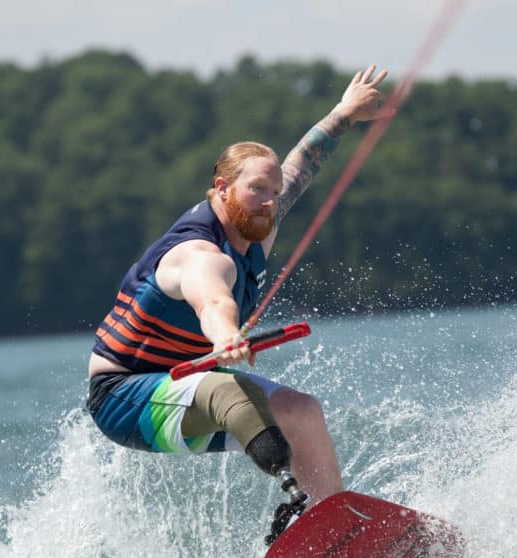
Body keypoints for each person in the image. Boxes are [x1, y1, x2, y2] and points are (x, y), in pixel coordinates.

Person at [86, 66, 391, 506]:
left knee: (302, 411)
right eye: (257, 190)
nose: (270, 200)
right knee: (229, 391)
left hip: (191, 387)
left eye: (273, 190)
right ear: (222, 188)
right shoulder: (198, 254)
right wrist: (227, 336)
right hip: (125, 398)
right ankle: (294, 500)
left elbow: (300, 165)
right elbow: (211, 299)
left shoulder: (259, 221)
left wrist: (344, 113)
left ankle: (332, 525)